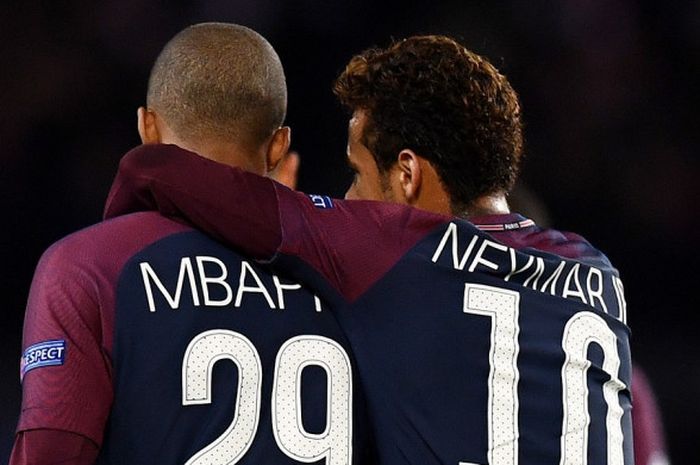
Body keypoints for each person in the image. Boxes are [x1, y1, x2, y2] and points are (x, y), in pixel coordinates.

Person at [107, 35, 635, 464]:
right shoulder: (598, 271)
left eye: (357, 172)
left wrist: (107, 245)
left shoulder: (393, 249)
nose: (348, 197)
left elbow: (154, 169)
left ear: (407, 173)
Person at [11, 23, 373, 465]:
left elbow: (51, 452)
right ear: (279, 146)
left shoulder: (84, 266)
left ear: (147, 127)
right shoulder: (358, 269)